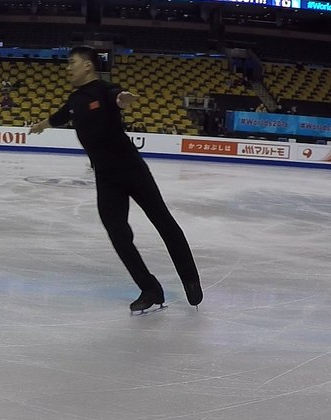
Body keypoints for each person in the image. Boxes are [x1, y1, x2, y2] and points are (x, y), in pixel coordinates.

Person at [29, 47, 202, 313]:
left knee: (163, 222)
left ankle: (190, 278)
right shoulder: (75, 100)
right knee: (117, 233)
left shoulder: (104, 89)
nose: (67, 68)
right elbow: (59, 117)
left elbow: (116, 97)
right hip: (106, 177)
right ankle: (150, 289)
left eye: (71, 63)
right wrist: (41, 125)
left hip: (132, 169)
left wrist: (123, 98)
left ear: (87, 65)